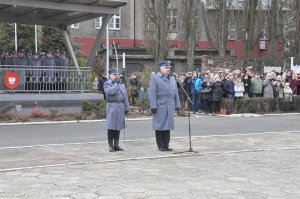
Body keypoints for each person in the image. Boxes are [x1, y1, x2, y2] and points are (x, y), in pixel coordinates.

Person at [149, 60, 181, 151]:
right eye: (166, 68)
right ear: (161, 68)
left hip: (170, 105)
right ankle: (161, 146)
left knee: (168, 126)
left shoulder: (172, 78)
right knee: (160, 125)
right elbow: (152, 93)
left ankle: (166, 145)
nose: (168, 69)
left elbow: (176, 93)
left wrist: (177, 105)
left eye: (169, 68)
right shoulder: (155, 78)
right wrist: (153, 106)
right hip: (160, 105)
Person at [104, 68, 129, 152]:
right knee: (111, 127)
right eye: (114, 75)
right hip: (112, 106)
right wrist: (116, 84)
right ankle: (111, 146)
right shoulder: (107, 84)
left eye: (117, 74)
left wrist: (126, 107)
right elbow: (110, 92)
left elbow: (125, 97)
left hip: (120, 106)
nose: (116, 76)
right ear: (110, 75)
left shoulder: (122, 84)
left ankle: (116, 145)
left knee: (118, 126)